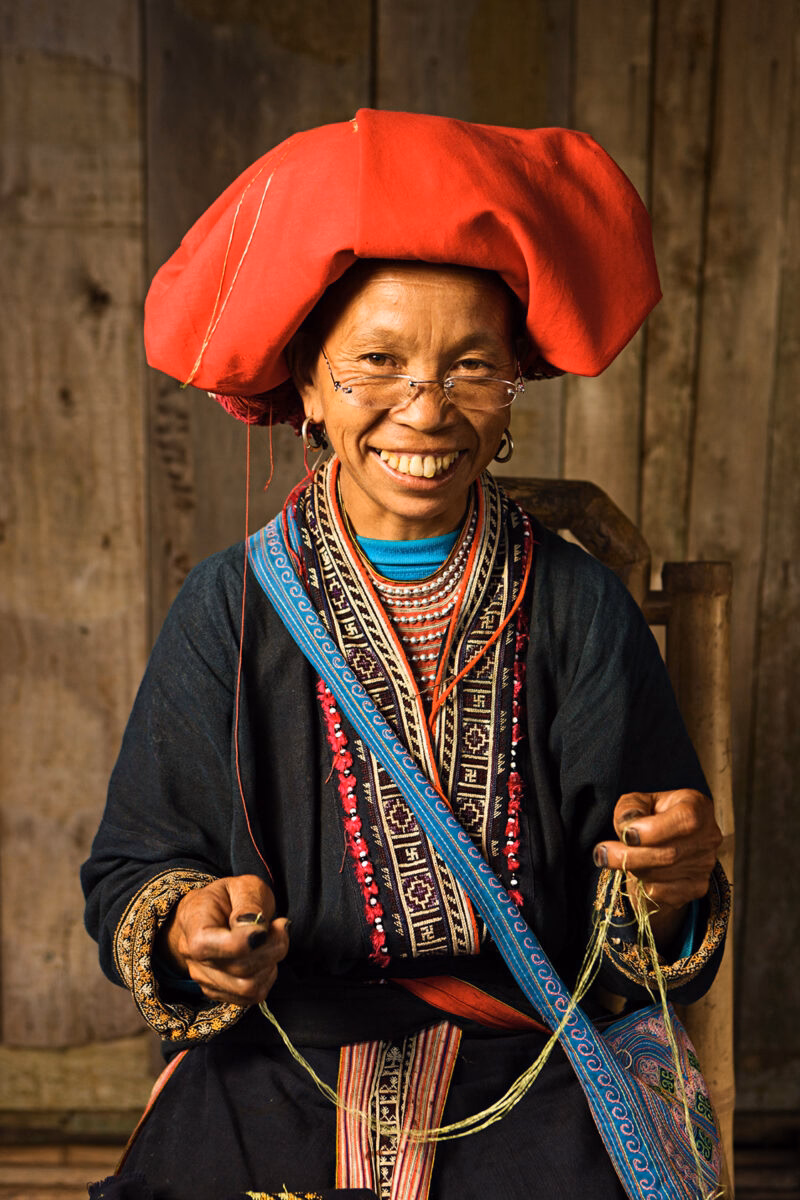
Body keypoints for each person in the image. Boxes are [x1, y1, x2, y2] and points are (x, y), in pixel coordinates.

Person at [82, 110, 729, 1200]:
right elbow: (134, 868)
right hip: (282, 1056)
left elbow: (635, 937)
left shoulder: (575, 607)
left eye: (470, 368)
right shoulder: (226, 605)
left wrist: (669, 885)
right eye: (376, 362)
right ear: (304, 387)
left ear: (511, 388)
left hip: (529, 1056)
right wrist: (192, 923)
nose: (424, 410)